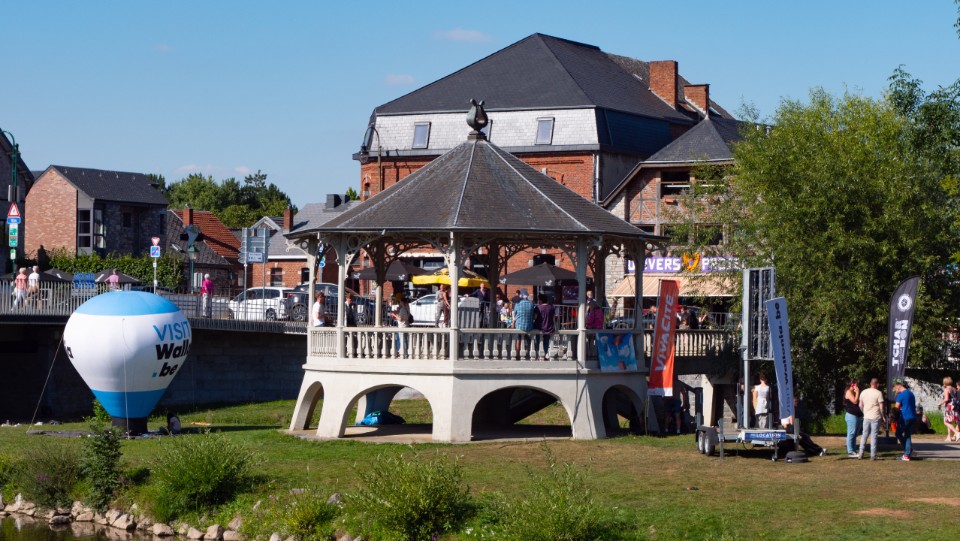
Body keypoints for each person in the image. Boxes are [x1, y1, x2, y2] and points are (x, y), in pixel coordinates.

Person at [857, 378, 886, 460]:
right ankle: (873, 455)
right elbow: (881, 407)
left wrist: (864, 413)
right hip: (876, 417)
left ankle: (860, 453)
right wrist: (883, 416)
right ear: (877, 384)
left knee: (864, 435)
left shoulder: (863, 392)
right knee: (874, 436)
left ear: (870, 384)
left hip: (866, 417)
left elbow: (860, 405)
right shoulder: (878, 393)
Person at [894, 378, 917, 461]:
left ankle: (908, 451)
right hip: (913, 416)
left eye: (894, 388)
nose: (895, 391)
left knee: (898, 433)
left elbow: (896, 407)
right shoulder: (911, 393)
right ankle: (907, 454)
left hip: (905, 417)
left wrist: (895, 415)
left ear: (898, 386)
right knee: (907, 435)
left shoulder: (901, 395)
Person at [512, 290, 536, 355]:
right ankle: (530, 351)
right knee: (529, 338)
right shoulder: (531, 304)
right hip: (529, 326)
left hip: (519, 326)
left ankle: (517, 353)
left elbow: (514, 315)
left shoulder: (517, 304)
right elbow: (533, 316)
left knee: (518, 338)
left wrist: (513, 323)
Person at [843, 379, 862, 457]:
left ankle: (854, 450)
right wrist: (857, 392)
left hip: (856, 416)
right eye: (856, 384)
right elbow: (855, 401)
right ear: (852, 385)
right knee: (851, 433)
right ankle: (850, 451)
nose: (857, 386)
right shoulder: (848, 392)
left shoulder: (853, 392)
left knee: (855, 434)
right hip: (851, 416)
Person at [533, 293, 555, 359]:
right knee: (546, 342)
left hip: (539, 327)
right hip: (549, 327)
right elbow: (553, 317)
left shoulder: (538, 307)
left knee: (538, 341)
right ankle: (545, 354)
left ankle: (538, 355)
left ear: (541, 300)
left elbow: (535, 317)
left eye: (538, 300)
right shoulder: (551, 307)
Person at [939, 376, 960, 442]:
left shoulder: (946, 389)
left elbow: (946, 399)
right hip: (955, 407)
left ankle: (957, 433)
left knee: (946, 422)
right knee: (949, 421)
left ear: (945, 383)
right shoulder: (954, 389)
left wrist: (940, 403)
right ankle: (949, 437)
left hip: (949, 407)